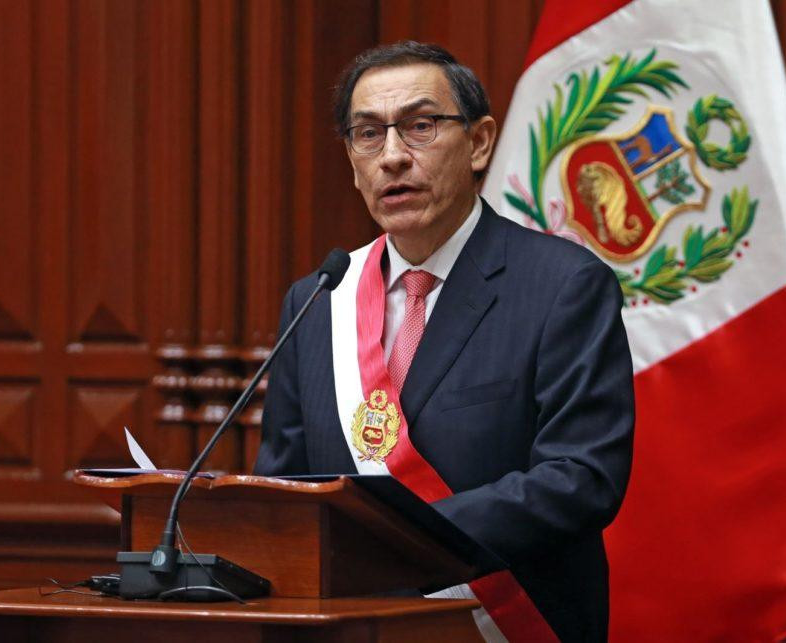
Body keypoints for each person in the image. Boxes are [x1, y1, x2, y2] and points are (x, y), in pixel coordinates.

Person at [254, 41, 634, 642]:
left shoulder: (563, 286)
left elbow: (580, 477)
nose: (393, 157)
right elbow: (285, 490)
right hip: (353, 628)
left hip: (505, 626)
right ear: (351, 161)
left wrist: (399, 540)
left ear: (479, 142)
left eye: (421, 126)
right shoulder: (319, 300)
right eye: (368, 135)